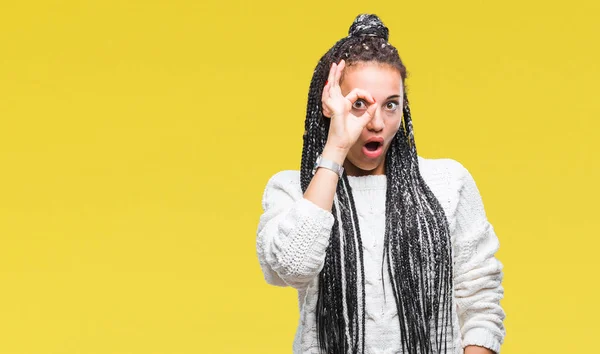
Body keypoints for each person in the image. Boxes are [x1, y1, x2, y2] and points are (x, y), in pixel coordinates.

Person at [255, 13, 506, 354]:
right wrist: (336, 148)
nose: (376, 123)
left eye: (391, 105)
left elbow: (481, 300)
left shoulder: (448, 183)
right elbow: (292, 267)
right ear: (331, 106)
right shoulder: (295, 189)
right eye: (359, 104)